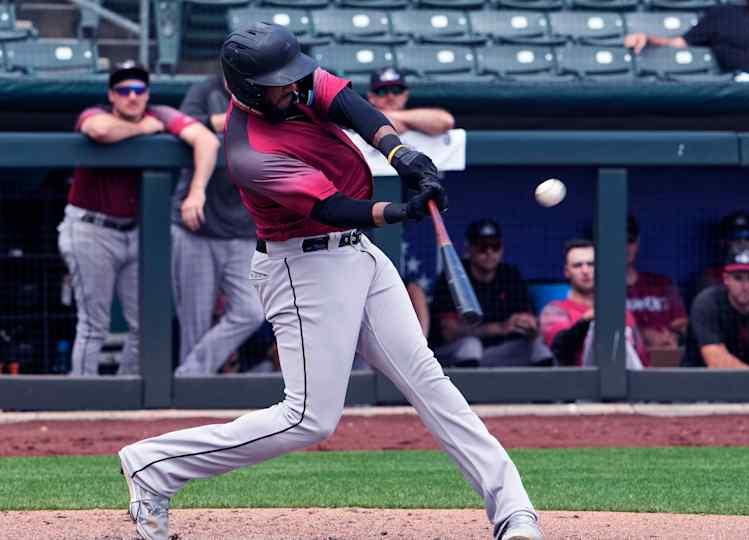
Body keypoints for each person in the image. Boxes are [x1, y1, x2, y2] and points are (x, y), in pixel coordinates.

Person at [117, 24, 542, 540]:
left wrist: (401, 156)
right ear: (250, 88)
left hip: (356, 256)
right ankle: (153, 466)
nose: (294, 86)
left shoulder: (285, 83)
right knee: (308, 419)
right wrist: (401, 209)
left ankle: (513, 510)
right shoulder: (251, 151)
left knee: (429, 382)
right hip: (303, 267)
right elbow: (333, 208)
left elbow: (352, 107)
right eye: (281, 82)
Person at [57, 61, 219, 376]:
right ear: (112, 95)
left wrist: (197, 191)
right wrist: (143, 130)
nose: (132, 96)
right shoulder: (95, 113)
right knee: (95, 324)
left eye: (139, 90)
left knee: (145, 323)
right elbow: (99, 130)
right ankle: (84, 397)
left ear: (147, 93)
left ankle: (122, 395)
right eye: (124, 90)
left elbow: (207, 140)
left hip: (133, 233)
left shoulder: (160, 114)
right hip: (91, 229)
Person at [172, 73, 265, 376]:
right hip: (197, 227)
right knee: (195, 321)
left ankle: (188, 376)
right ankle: (190, 393)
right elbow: (185, 124)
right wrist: (241, 121)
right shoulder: (204, 89)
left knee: (251, 311)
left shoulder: (271, 92)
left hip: (242, 228)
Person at [430, 219, 554, 368]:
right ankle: (466, 391)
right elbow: (448, 333)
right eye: (482, 247)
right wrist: (499, 328)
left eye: (495, 246)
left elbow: (528, 319)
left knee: (538, 348)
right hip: (453, 355)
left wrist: (528, 325)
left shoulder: (510, 275)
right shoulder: (453, 276)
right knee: (471, 346)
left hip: (495, 355)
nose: (489, 252)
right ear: (469, 249)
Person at [540, 239, 647, 367]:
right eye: (578, 265)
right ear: (567, 271)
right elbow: (560, 348)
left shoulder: (620, 311)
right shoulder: (554, 310)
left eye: (591, 264)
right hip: (575, 383)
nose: (585, 271)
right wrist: (586, 321)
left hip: (623, 382)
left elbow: (642, 359)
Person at [625, 216, 687, 350]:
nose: (624, 247)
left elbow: (681, 324)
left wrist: (673, 336)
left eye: (629, 241)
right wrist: (643, 336)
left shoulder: (662, 284)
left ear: (637, 243)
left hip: (664, 360)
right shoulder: (594, 289)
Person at [367, 66, 455, 136]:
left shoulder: (409, 116)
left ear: (405, 95)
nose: (391, 96)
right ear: (371, 97)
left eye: (396, 90)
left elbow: (446, 121)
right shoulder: (362, 119)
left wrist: (389, 115)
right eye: (383, 91)